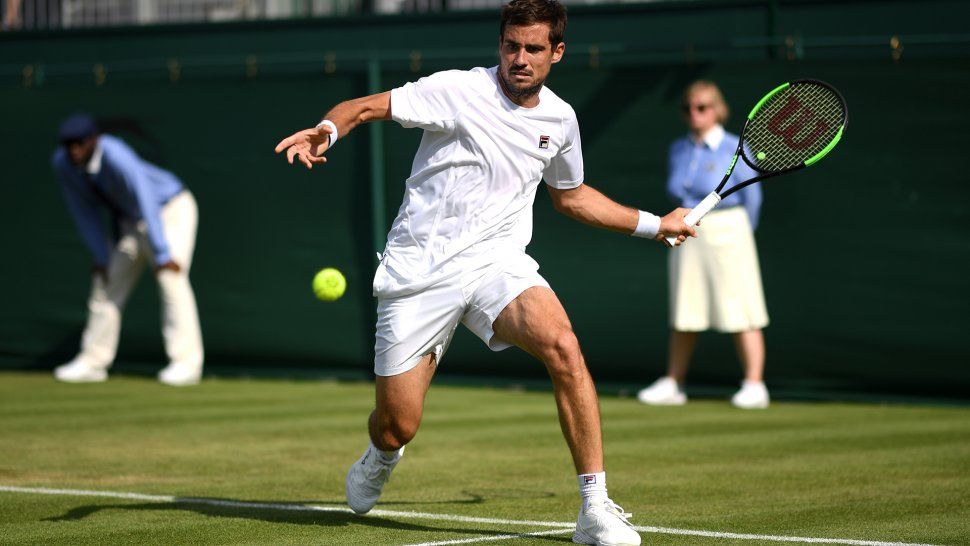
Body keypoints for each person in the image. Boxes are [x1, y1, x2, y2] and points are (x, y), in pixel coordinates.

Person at [275, 1, 695, 543]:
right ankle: (381, 454)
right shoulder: (456, 89)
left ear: (556, 53)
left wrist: (654, 224)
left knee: (563, 346)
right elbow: (361, 107)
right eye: (511, 46)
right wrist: (326, 131)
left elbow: (571, 197)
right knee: (398, 422)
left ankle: (595, 509)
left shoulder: (560, 120)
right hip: (418, 273)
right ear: (500, 44)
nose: (520, 59)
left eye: (534, 49)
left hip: (497, 263)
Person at [636, 80, 770, 410]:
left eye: (702, 107)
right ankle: (674, 383)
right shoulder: (678, 149)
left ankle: (755, 385)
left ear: (717, 110)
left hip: (729, 232)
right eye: (688, 108)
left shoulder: (732, 148)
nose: (694, 114)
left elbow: (752, 199)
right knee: (686, 309)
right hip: (687, 231)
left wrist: (739, 234)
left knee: (741, 309)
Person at [51, 113, 204, 387]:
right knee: (105, 281)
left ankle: (186, 364)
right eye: (68, 144)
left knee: (170, 278)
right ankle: (92, 361)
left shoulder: (115, 154)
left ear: (94, 141)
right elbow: (83, 211)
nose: (74, 150)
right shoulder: (63, 164)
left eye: (80, 143)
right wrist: (100, 255)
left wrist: (161, 252)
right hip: (131, 222)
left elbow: (144, 194)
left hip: (170, 210)